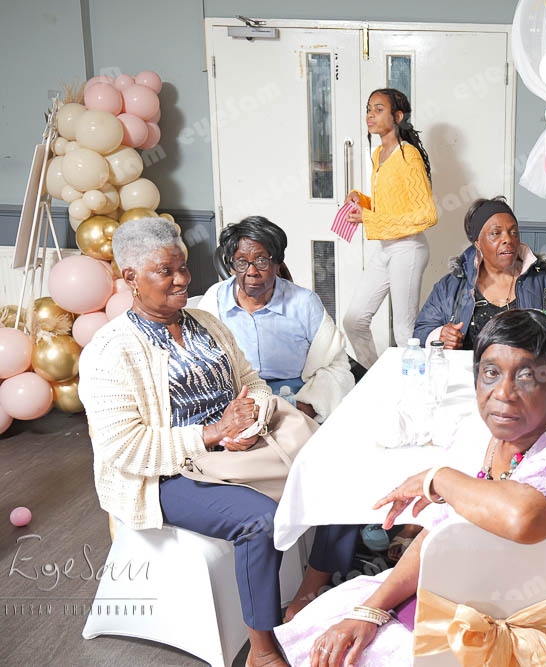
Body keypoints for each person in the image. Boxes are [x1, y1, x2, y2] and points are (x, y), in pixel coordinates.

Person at [78, 218, 361, 667]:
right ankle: (262, 650)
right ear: (130, 277)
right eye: (166, 271)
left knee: (342, 472)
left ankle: (308, 592)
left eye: (183, 267)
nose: (182, 280)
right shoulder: (110, 350)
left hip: (238, 451)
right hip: (166, 475)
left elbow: (252, 382)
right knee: (260, 521)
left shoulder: (206, 323)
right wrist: (211, 434)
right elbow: (125, 449)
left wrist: (249, 419)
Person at [274, 309, 546, 666]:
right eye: (491, 373)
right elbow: (437, 536)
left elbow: (523, 518)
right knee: (326, 639)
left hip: (535, 636)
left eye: (527, 377)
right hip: (454, 602)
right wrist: (370, 612)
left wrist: (439, 478)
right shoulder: (478, 436)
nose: (504, 393)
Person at [198, 216, 354, 423]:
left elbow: (335, 366)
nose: (251, 272)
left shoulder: (304, 302)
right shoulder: (215, 300)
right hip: (237, 404)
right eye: (242, 262)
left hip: (296, 401)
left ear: (277, 263)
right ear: (232, 265)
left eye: (261, 261)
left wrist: (305, 408)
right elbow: (200, 365)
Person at [343, 88, 437, 368]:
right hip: (386, 247)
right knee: (354, 320)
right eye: (369, 109)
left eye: (379, 109)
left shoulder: (409, 156)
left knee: (405, 332)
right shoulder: (378, 154)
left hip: (408, 248)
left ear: (397, 116)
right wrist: (362, 200)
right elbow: (391, 205)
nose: (370, 114)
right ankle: (374, 376)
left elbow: (427, 215)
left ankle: (420, 381)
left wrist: (369, 219)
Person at [413, 196, 546, 349]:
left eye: (513, 232)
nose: (508, 240)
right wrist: (440, 336)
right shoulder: (451, 287)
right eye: (496, 233)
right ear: (477, 243)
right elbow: (421, 332)